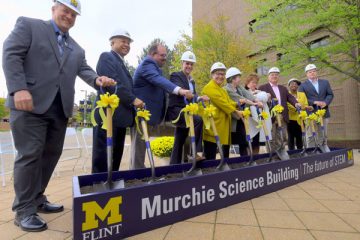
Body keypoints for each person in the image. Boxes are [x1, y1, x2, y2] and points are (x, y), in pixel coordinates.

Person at [2, 0, 115, 232]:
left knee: (51, 155)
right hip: (29, 103)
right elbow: (11, 53)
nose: (70, 17)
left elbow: (85, 71)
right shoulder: (29, 26)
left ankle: (37, 198)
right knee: (30, 154)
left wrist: (98, 80)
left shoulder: (77, 48)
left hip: (59, 109)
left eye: (74, 15)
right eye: (66, 11)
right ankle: (23, 209)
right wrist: (18, 88)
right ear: (54, 8)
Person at [131, 44, 193, 169]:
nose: (165, 58)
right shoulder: (147, 65)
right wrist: (179, 90)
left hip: (151, 115)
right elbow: (158, 80)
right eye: (162, 55)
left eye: (166, 55)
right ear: (152, 55)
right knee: (139, 148)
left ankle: (139, 174)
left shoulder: (155, 68)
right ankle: (136, 177)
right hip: (141, 114)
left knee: (141, 145)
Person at [92, 29, 144, 173]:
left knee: (114, 160)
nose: (126, 44)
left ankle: (112, 188)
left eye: (128, 42)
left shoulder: (121, 63)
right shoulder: (106, 57)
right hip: (108, 117)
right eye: (123, 41)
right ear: (112, 42)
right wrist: (133, 99)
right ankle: (100, 190)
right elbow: (115, 84)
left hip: (120, 119)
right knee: (103, 160)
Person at [166, 51, 208, 164]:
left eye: (191, 64)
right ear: (182, 63)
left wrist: (199, 98)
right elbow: (183, 91)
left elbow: (192, 96)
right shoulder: (176, 75)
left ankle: (173, 165)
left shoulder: (192, 81)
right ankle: (197, 153)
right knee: (198, 120)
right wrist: (191, 95)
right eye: (187, 63)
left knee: (180, 138)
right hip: (177, 111)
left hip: (187, 111)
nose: (189, 66)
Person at [201, 62, 243, 160]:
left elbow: (228, 102)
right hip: (212, 127)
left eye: (222, 74)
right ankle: (210, 173)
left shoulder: (222, 90)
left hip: (222, 126)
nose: (220, 76)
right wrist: (236, 112)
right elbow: (222, 103)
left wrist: (237, 103)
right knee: (210, 156)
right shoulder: (209, 88)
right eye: (217, 74)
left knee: (224, 155)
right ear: (212, 75)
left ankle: (222, 172)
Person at [258, 67, 301, 153]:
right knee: (271, 137)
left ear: (278, 77)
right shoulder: (263, 87)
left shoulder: (283, 88)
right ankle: (272, 154)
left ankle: (281, 152)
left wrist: (296, 103)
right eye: (272, 75)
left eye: (276, 75)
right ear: (268, 77)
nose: (274, 76)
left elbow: (290, 97)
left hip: (283, 116)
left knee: (282, 137)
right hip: (270, 117)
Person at [223, 67, 261, 156]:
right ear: (233, 78)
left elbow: (247, 94)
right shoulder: (226, 89)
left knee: (243, 141)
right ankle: (226, 161)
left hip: (241, 118)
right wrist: (254, 104)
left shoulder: (239, 87)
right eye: (238, 77)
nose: (240, 79)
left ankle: (244, 161)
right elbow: (240, 99)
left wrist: (256, 100)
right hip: (231, 119)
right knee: (227, 142)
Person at [298, 64, 334, 147]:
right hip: (310, 114)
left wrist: (325, 102)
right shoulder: (302, 86)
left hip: (324, 112)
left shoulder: (325, 82)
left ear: (316, 72)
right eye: (310, 72)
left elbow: (330, 94)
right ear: (306, 74)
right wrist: (314, 102)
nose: (312, 73)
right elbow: (302, 100)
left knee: (323, 133)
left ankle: (323, 151)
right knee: (311, 135)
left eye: (314, 71)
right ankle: (312, 152)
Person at [287, 78, 310, 150]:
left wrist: (302, 107)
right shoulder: (287, 94)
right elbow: (288, 105)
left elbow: (306, 104)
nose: (294, 85)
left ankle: (300, 152)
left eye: (296, 84)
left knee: (300, 136)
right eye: (292, 83)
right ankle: (291, 152)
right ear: (289, 86)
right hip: (291, 119)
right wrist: (298, 107)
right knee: (291, 137)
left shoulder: (302, 94)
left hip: (301, 119)